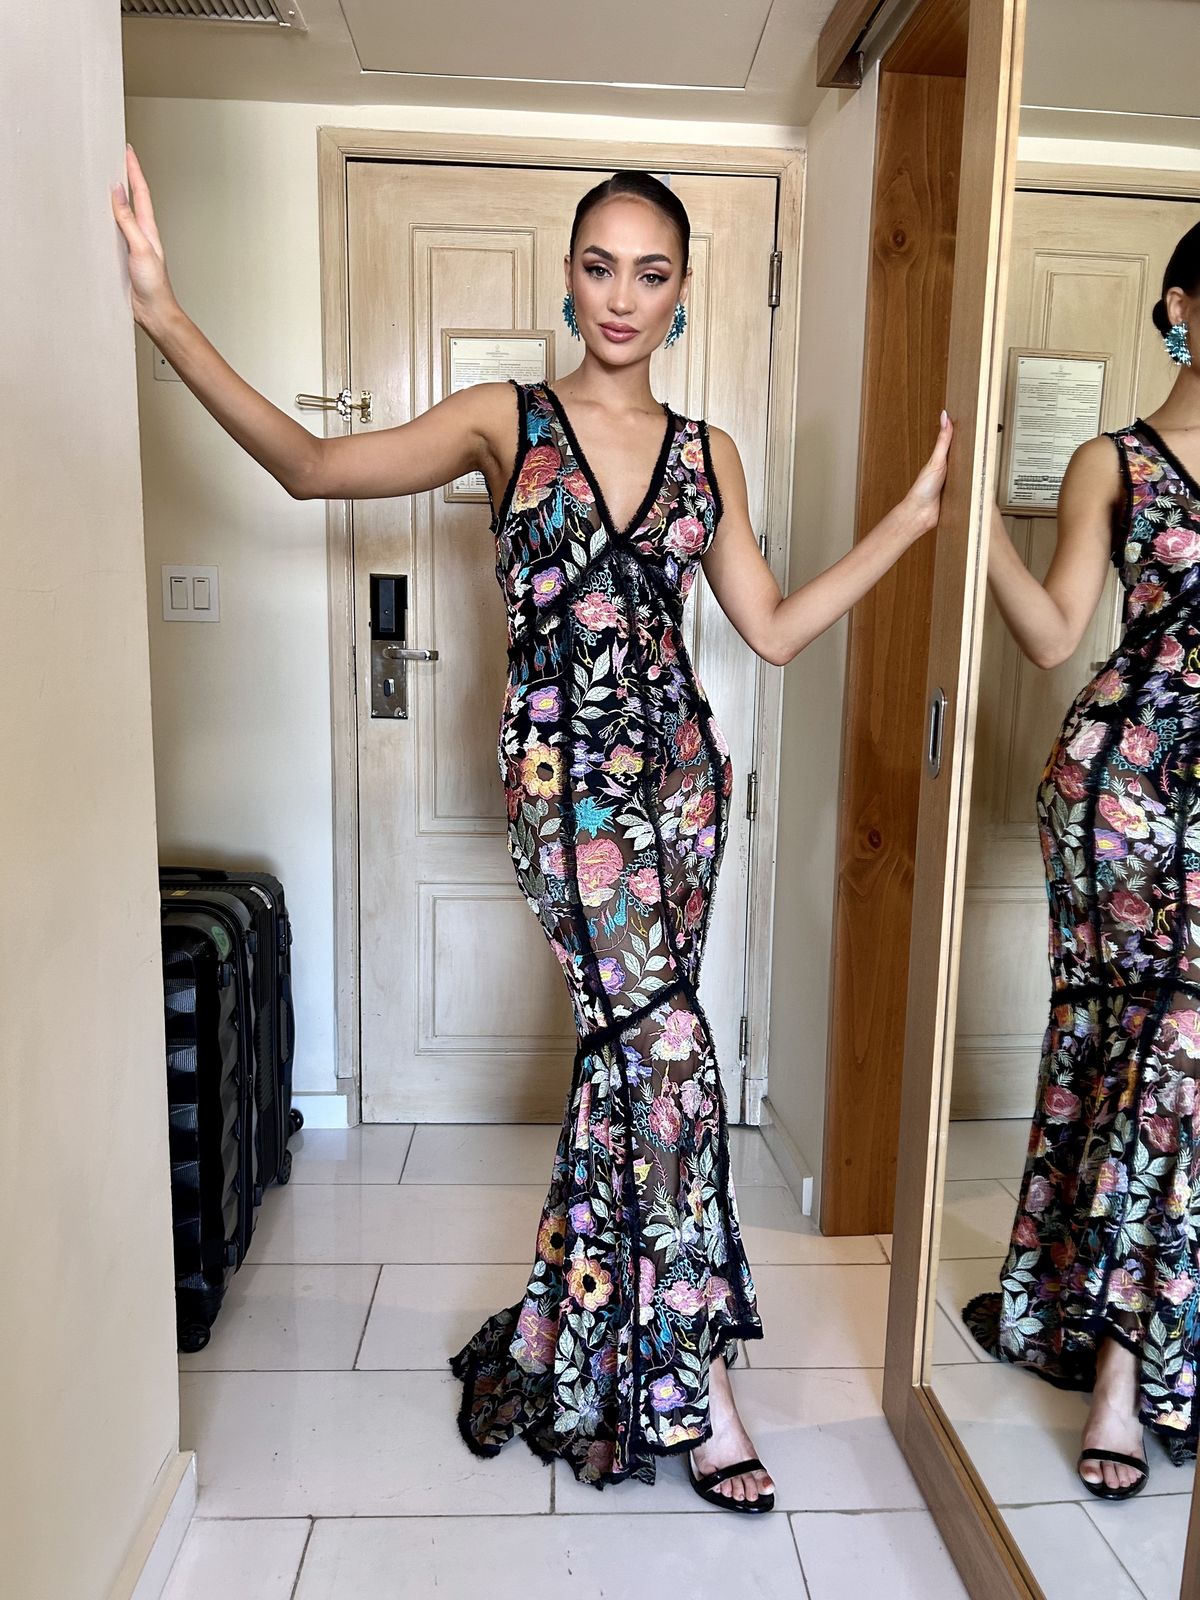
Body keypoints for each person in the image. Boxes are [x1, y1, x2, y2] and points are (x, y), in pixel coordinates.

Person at [112, 149, 952, 1510]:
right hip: (564, 800)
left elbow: (775, 629)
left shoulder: (708, 454)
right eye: (601, 266)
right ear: (569, 278)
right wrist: (163, 313)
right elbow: (314, 468)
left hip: (683, 790)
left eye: (652, 273)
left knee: (632, 1067)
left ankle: (590, 1336)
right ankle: (704, 1386)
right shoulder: (506, 420)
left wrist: (907, 525)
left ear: (683, 294)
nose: (623, 295)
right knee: (671, 1055)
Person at [964, 222, 1200, 1502]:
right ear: (1180, 307)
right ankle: (1115, 1369)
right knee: (1144, 1048)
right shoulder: (1115, 458)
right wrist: (971, 522)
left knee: (1177, 1061)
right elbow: (1057, 633)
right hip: (1122, 790)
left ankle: (1112, 1307)